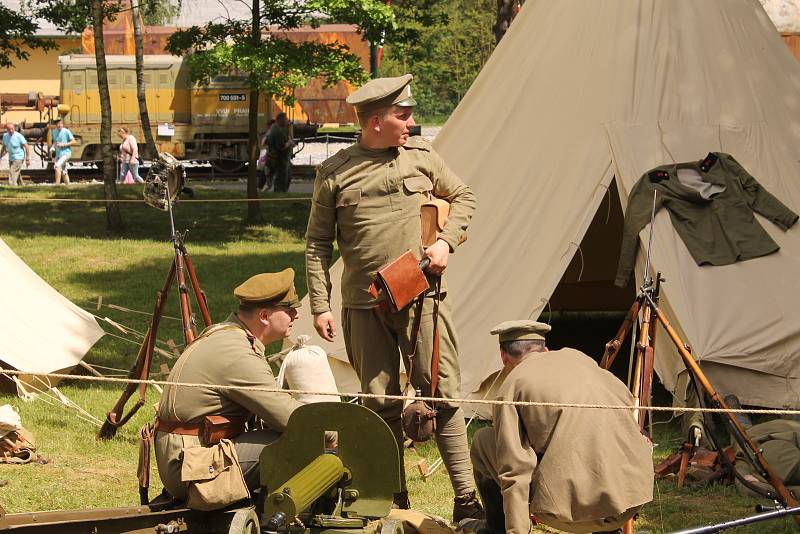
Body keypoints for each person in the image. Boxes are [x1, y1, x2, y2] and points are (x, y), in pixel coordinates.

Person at [305, 74, 482, 521]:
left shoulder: (421, 158)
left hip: (422, 299)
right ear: (376, 121)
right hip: (364, 305)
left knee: (442, 392)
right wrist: (321, 304)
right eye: (403, 116)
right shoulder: (335, 173)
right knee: (377, 401)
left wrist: (446, 242)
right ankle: (392, 497)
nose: (412, 123)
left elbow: (464, 197)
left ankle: (465, 499)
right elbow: (317, 245)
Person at [470, 321, 654, 534]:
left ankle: (495, 530)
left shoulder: (512, 385)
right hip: (631, 502)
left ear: (504, 357)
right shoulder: (580, 360)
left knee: (483, 441)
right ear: (545, 349)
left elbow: (514, 470)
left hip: (573, 517)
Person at [154, 268, 306, 501]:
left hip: (185, 457)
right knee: (303, 442)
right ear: (264, 316)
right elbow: (291, 420)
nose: (296, 314)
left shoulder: (225, 334)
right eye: (289, 309)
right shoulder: (237, 353)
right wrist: (336, 430)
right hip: (190, 467)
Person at [266, 112, 293, 192]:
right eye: (286, 119)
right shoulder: (277, 131)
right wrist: (289, 143)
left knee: (286, 176)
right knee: (282, 177)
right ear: (281, 120)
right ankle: (280, 192)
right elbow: (281, 146)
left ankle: (282, 191)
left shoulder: (276, 128)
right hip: (281, 159)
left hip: (282, 159)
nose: (287, 120)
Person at [51, 118, 75, 185]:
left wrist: (64, 145)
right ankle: (68, 186)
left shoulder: (66, 131)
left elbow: (74, 141)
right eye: (58, 124)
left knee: (57, 166)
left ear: (62, 124)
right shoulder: (54, 131)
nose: (59, 125)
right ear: (55, 125)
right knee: (64, 171)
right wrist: (53, 149)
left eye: (61, 124)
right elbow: (55, 142)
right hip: (59, 155)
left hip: (66, 153)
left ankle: (57, 185)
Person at [258, 118, 276, 192]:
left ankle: (260, 188)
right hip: (270, 157)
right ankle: (261, 189)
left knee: (266, 172)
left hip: (270, 157)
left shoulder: (270, 133)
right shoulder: (270, 133)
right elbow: (263, 143)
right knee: (267, 172)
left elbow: (263, 144)